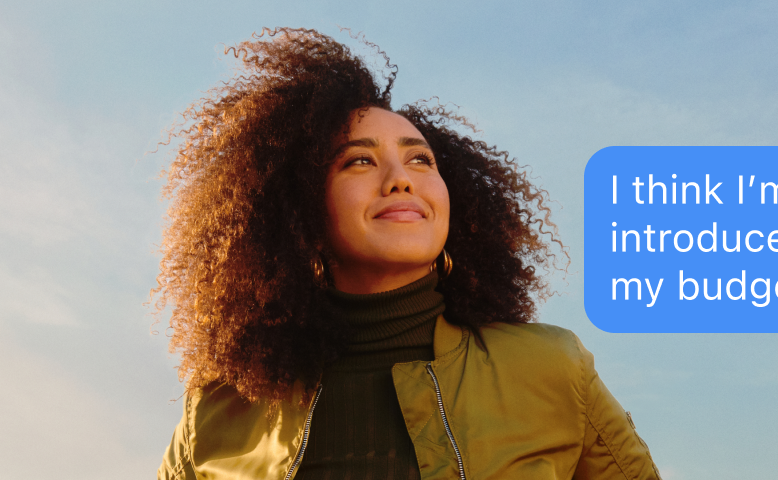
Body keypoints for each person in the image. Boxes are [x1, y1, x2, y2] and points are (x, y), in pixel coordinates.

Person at [154, 28, 660, 480]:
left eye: (421, 159)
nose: (401, 178)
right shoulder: (217, 411)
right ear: (299, 209)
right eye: (359, 160)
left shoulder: (552, 367)